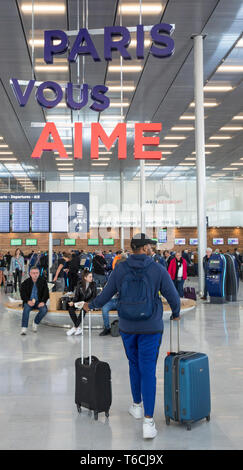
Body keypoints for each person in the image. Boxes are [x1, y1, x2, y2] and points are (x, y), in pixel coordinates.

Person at [83, 232, 180, 440]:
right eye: (149, 247)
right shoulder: (157, 269)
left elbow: (105, 296)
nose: (152, 249)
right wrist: (176, 313)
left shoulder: (120, 269)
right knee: (148, 370)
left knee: (134, 365)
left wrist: (90, 305)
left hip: (127, 327)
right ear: (144, 249)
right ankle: (148, 422)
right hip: (151, 328)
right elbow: (173, 296)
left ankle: (137, 405)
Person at [66, 269, 97, 336]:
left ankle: (75, 327)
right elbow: (76, 296)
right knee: (70, 308)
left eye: (92, 276)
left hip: (89, 303)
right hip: (79, 303)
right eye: (90, 277)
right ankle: (78, 328)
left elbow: (94, 297)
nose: (92, 278)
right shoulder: (79, 284)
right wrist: (73, 302)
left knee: (84, 308)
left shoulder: (94, 284)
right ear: (85, 278)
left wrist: (86, 303)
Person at [20, 267, 49, 335]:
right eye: (33, 273)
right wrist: (27, 301)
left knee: (44, 310)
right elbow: (22, 294)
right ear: (30, 273)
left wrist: (43, 302)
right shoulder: (25, 282)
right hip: (29, 301)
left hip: (39, 302)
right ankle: (24, 328)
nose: (35, 275)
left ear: (39, 273)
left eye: (37, 273)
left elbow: (46, 293)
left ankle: (35, 322)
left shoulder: (43, 281)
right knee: (26, 309)